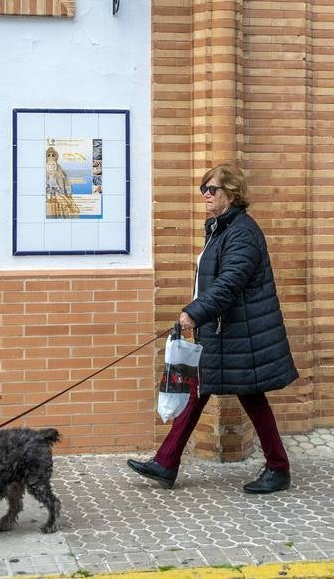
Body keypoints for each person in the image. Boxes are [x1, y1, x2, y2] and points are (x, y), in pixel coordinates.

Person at [128, 163, 298, 494]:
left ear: (231, 194)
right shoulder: (220, 229)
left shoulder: (242, 232)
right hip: (225, 331)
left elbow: (230, 282)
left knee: (247, 394)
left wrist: (194, 312)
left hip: (244, 334)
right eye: (203, 189)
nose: (205, 195)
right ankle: (166, 461)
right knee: (200, 389)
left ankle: (278, 468)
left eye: (212, 189)